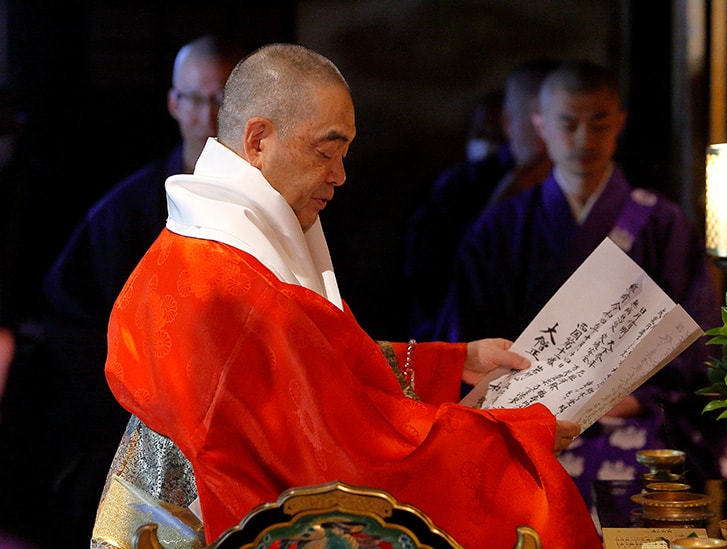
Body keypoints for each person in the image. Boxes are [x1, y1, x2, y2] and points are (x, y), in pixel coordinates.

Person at [103, 43, 602, 549]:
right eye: (326, 151)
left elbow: (320, 376)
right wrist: (510, 435)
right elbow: (345, 452)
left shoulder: (216, 243)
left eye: (344, 154)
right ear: (258, 140)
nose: (340, 175)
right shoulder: (231, 284)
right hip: (204, 529)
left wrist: (453, 363)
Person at [431, 60, 727, 515]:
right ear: (540, 125)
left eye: (599, 122)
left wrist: (638, 399)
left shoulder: (662, 224)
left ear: (620, 122)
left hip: (635, 417)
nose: (585, 139)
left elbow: (696, 335)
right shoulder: (501, 228)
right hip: (526, 420)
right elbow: (468, 335)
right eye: (568, 123)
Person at [35, 34, 243, 545]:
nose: (211, 115)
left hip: (243, 424)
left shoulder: (279, 210)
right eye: (198, 98)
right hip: (141, 425)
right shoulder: (124, 211)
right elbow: (74, 323)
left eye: (226, 100)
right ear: (175, 103)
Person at [405, 57, 558, 340]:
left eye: (568, 121)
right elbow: (427, 282)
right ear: (508, 122)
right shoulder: (459, 188)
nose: (559, 135)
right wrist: (496, 213)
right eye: (541, 121)